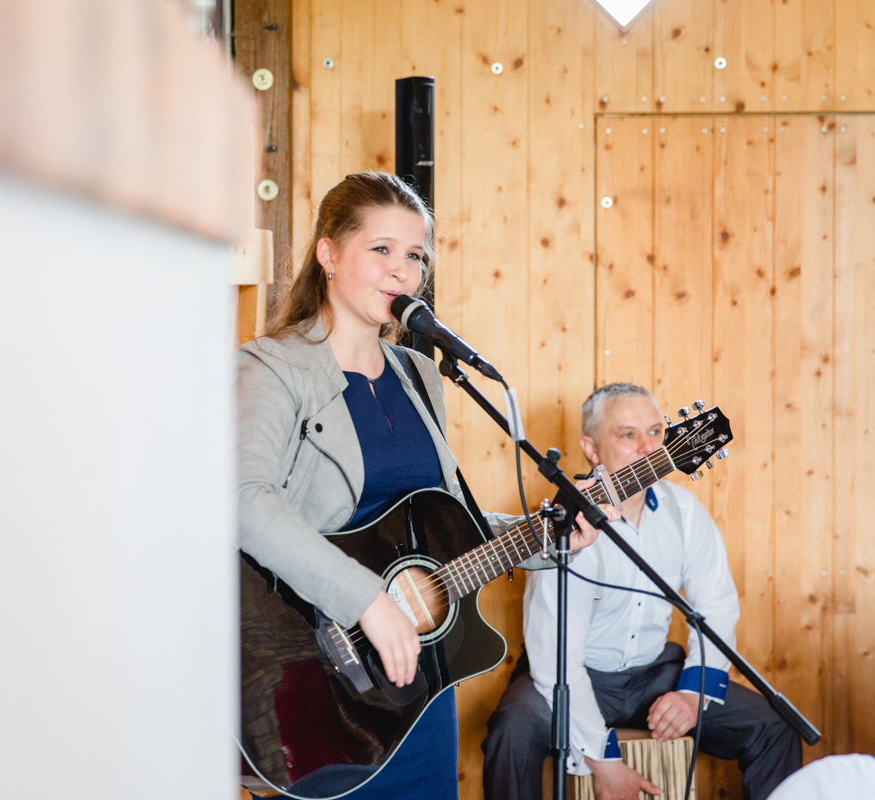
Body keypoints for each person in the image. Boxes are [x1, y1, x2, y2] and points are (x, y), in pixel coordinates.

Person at [236, 171, 614, 800]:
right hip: (318, 677)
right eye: (381, 250)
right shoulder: (270, 368)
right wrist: (366, 600)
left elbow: (440, 525)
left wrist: (548, 537)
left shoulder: (419, 375)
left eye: (414, 256)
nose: (402, 273)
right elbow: (243, 500)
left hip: (420, 680)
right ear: (328, 254)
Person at [482, 382, 802, 800]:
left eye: (655, 432)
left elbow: (717, 607)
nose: (648, 448)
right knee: (513, 728)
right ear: (591, 449)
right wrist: (605, 761)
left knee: (774, 725)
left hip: (655, 674)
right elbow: (556, 662)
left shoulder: (684, 513)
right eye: (628, 435)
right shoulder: (565, 528)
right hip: (573, 676)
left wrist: (690, 695)